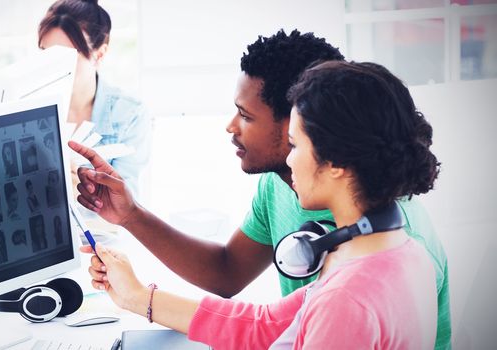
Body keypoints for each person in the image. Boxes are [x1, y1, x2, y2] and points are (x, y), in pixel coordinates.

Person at [72, 30, 451, 349]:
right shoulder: (381, 243)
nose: (290, 159)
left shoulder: (349, 297)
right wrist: (137, 294)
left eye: (296, 142)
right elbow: (265, 322)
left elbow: (326, 314)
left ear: (334, 158)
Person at [38, 0, 151, 195]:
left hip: (100, 224)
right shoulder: (27, 107)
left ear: (99, 54)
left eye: (67, 57)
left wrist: (86, 191)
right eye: (45, 55)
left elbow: (130, 204)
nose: (52, 69)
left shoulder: (129, 113)